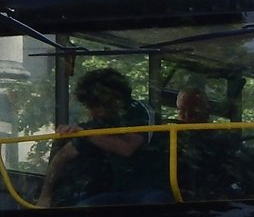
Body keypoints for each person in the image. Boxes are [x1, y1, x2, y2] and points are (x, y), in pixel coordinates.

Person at [39, 68, 162, 207]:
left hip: (154, 189)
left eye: (96, 105)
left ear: (113, 100)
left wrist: (86, 133)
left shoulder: (141, 110)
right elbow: (62, 156)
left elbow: (127, 148)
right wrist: (45, 197)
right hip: (119, 192)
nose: (92, 112)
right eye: (89, 106)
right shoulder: (98, 124)